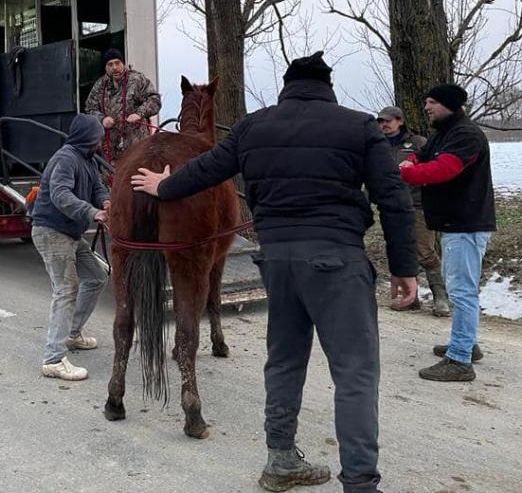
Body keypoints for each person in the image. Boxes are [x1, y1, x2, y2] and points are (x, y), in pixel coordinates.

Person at [131, 52, 417, 493]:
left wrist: (164, 186)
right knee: (355, 373)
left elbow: (206, 170)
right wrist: (404, 268)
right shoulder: (359, 126)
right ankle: (360, 483)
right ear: (328, 85)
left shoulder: (252, 126)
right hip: (336, 258)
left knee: (284, 362)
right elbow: (393, 200)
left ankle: (280, 460)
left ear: (286, 85)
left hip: (278, 259)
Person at [399, 84, 495, 383]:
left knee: (462, 292)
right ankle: (465, 343)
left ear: (449, 104)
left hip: (466, 224)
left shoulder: (466, 135)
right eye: (426, 101)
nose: (426, 107)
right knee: (460, 290)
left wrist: (403, 171)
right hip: (453, 223)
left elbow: (442, 170)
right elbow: (422, 157)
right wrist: (411, 162)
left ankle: (460, 360)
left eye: (432, 102)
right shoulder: (443, 132)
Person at [30, 113, 110, 382]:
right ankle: (53, 359)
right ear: (87, 137)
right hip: (51, 231)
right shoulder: (65, 159)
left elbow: (98, 188)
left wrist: (106, 203)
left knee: (97, 276)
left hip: (70, 234)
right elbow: (60, 195)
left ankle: (73, 334)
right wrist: (92, 213)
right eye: (97, 136)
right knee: (66, 289)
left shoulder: (87, 159)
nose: (101, 141)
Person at [377, 106, 450, 316]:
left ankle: (440, 297)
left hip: (417, 204)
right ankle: (411, 297)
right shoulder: (377, 144)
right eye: (380, 122)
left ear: (400, 121)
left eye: (388, 121)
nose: (384, 125)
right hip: (391, 205)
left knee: (425, 251)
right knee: (400, 248)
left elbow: (434, 169)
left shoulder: (418, 143)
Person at [85, 48, 161, 164]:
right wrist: (102, 119)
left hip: (137, 148)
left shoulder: (137, 80)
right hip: (109, 151)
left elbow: (155, 100)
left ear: (123, 64)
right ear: (106, 67)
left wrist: (139, 114)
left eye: (117, 63)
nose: (114, 67)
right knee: (110, 180)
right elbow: (90, 109)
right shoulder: (100, 85)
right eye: (110, 64)